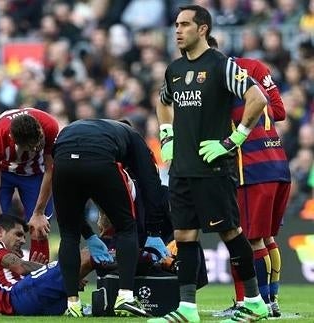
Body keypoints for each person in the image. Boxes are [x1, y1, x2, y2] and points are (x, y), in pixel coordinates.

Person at [151, 5, 270, 323]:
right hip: (182, 170)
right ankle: (187, 309)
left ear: (202, 29)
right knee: (185, 237)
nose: (177, 30)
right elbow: (163, 103)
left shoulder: (221, 65)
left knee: (231, 233)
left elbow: (258, 98)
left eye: (185, 25)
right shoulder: (174, 69)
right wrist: (167, 138)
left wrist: (232, 142)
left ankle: (256, 302)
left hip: (212, 169)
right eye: (176, 25)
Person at [206, 37, 291, 319]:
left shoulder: (214, 81)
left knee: (247, 240)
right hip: (277, 162)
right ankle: (272, 302)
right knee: (265, 238)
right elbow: (278, 111)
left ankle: (254, 303)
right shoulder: (254, 67)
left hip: (251, 168)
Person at [52, 118, 168, 318]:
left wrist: (88, 235)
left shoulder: (86, 128)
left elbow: (73, 202)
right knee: (126, 227)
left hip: (62, 160)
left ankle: (73, 304)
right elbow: (151, 182)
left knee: (68, 235)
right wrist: (154, 231)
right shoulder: (135, 139)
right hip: (99, 159)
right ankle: (125, 297)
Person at [0, 213, 107, 316]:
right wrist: (67, 272)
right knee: (88, 254)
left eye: (24, 236)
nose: (23, 240)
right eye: (18, 234)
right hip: (15, 298)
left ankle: (103, 302)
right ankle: (126, 262)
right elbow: (20, 267)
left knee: (74, 280)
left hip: (23, 305)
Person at [0, 107, 58, 262]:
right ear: (13, 139)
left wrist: (38, 213)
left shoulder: (50, 127)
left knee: (39, 227)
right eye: (30, 147)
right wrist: (2, 233)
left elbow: (51, 171)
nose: (36, 148)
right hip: (3, 172)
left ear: (39, 130)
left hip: (36, 172)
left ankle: (39, 280)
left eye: (38, 143)